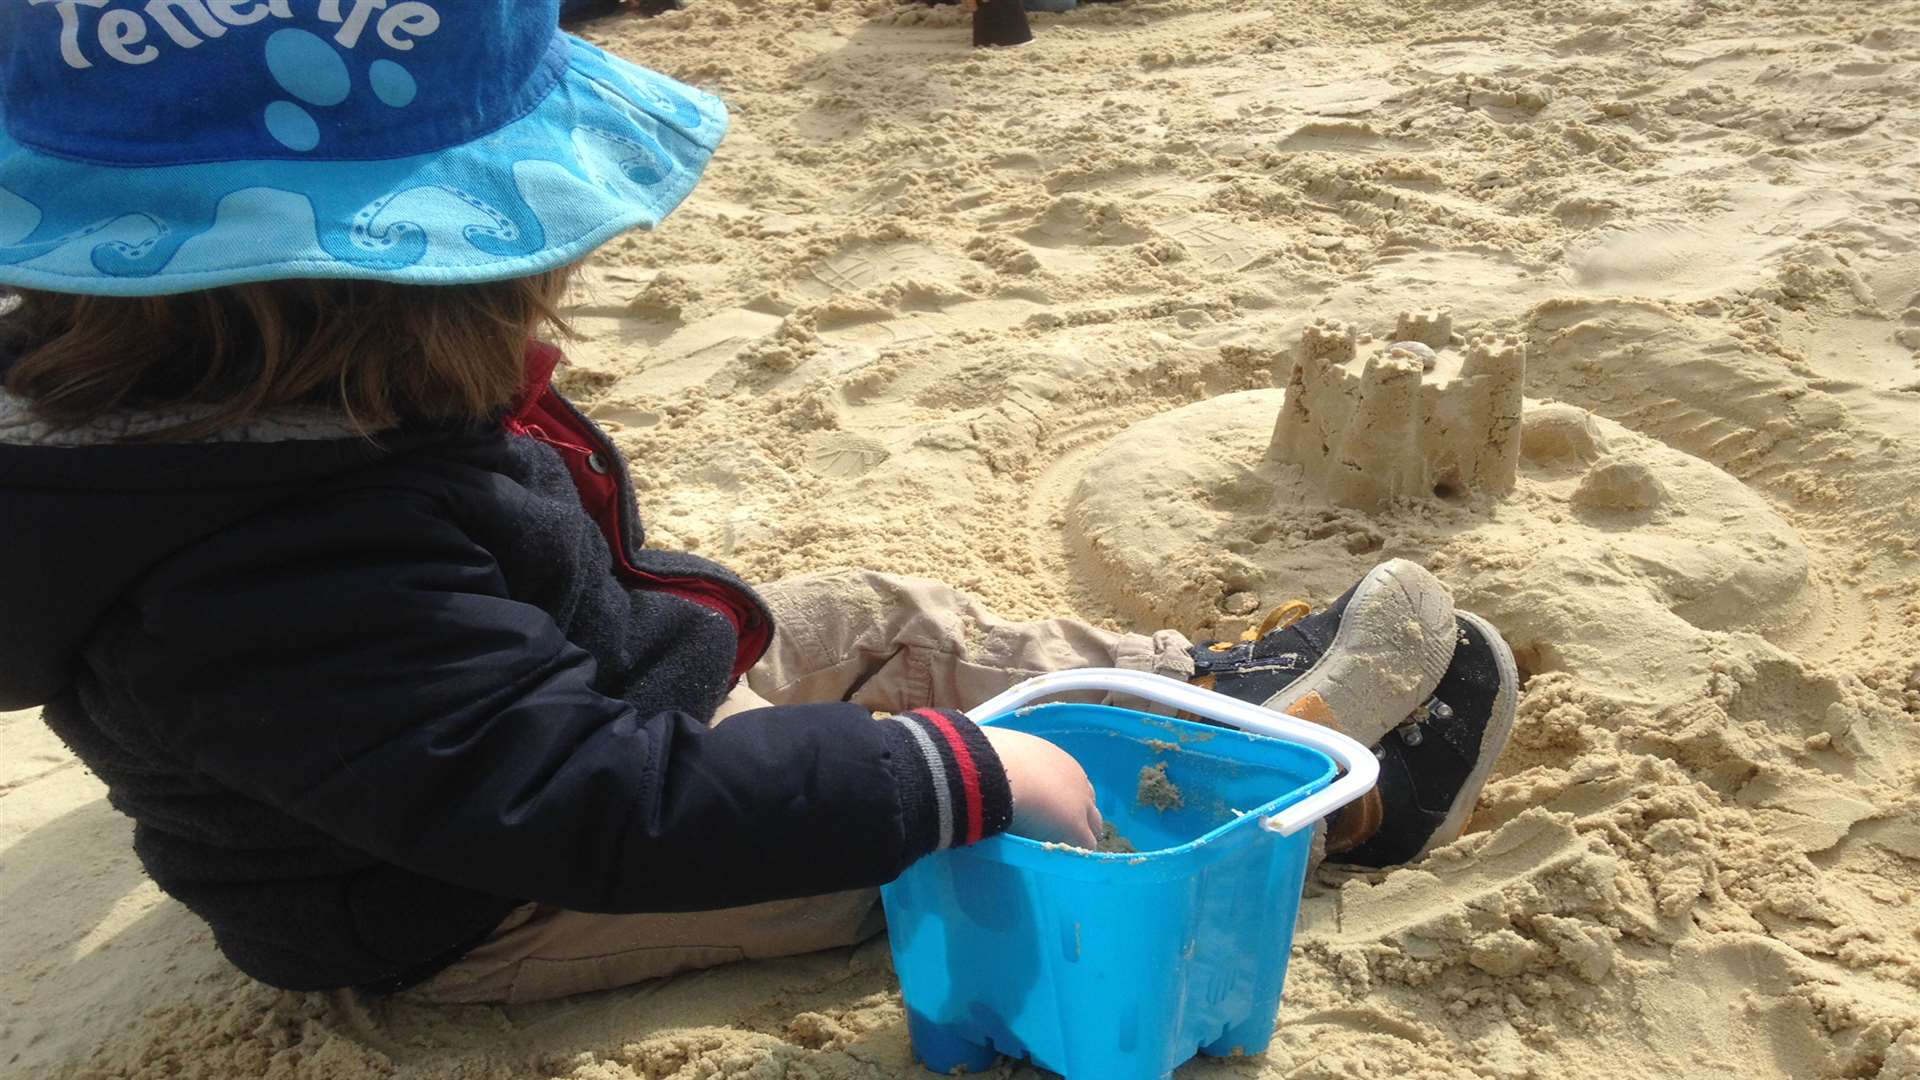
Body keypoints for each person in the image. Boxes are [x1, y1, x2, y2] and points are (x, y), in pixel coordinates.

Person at [0, 0, 1516, 1006]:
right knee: (920, 826)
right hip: (470, 902)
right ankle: (1322, 803)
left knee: (871, 620)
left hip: (539, 726)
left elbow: (478, 681)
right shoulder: (270, 569)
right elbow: (586, 810)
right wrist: (960, 785)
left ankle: (1200, 693)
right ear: (401, 287)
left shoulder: (216, 410)